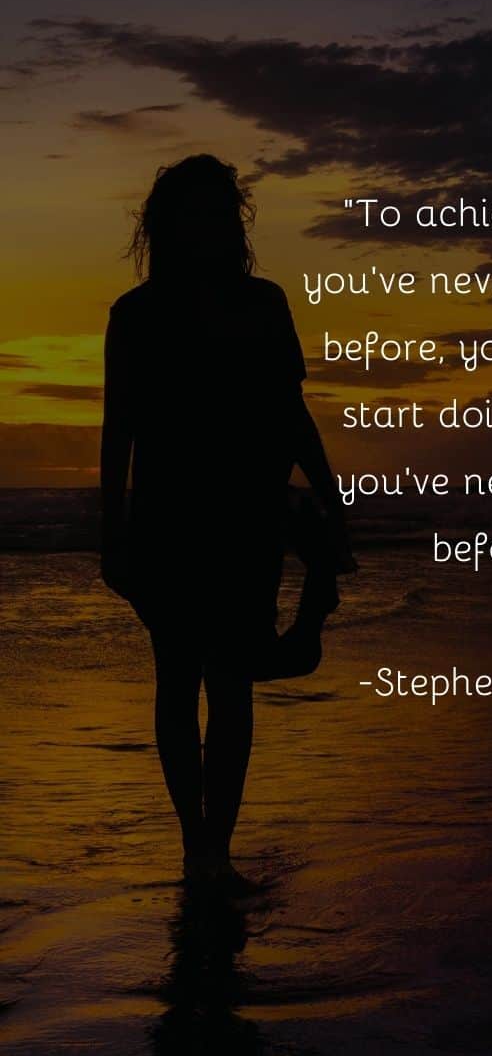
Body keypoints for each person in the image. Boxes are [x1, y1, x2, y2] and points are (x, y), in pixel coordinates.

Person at [100, 155, 354, 892]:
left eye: (221, 215)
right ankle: (195, 847)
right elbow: (120, 430)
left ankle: (218, 846)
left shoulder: (265, 303)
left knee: (233, 684)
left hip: (248, 518)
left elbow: (290, 411)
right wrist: (109, 533)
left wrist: (331, 499)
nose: (209, 228)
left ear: (234, 226)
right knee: (178, 681)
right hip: (167, 520)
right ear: (166, 226)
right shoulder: (135, 315)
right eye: (194, 214)